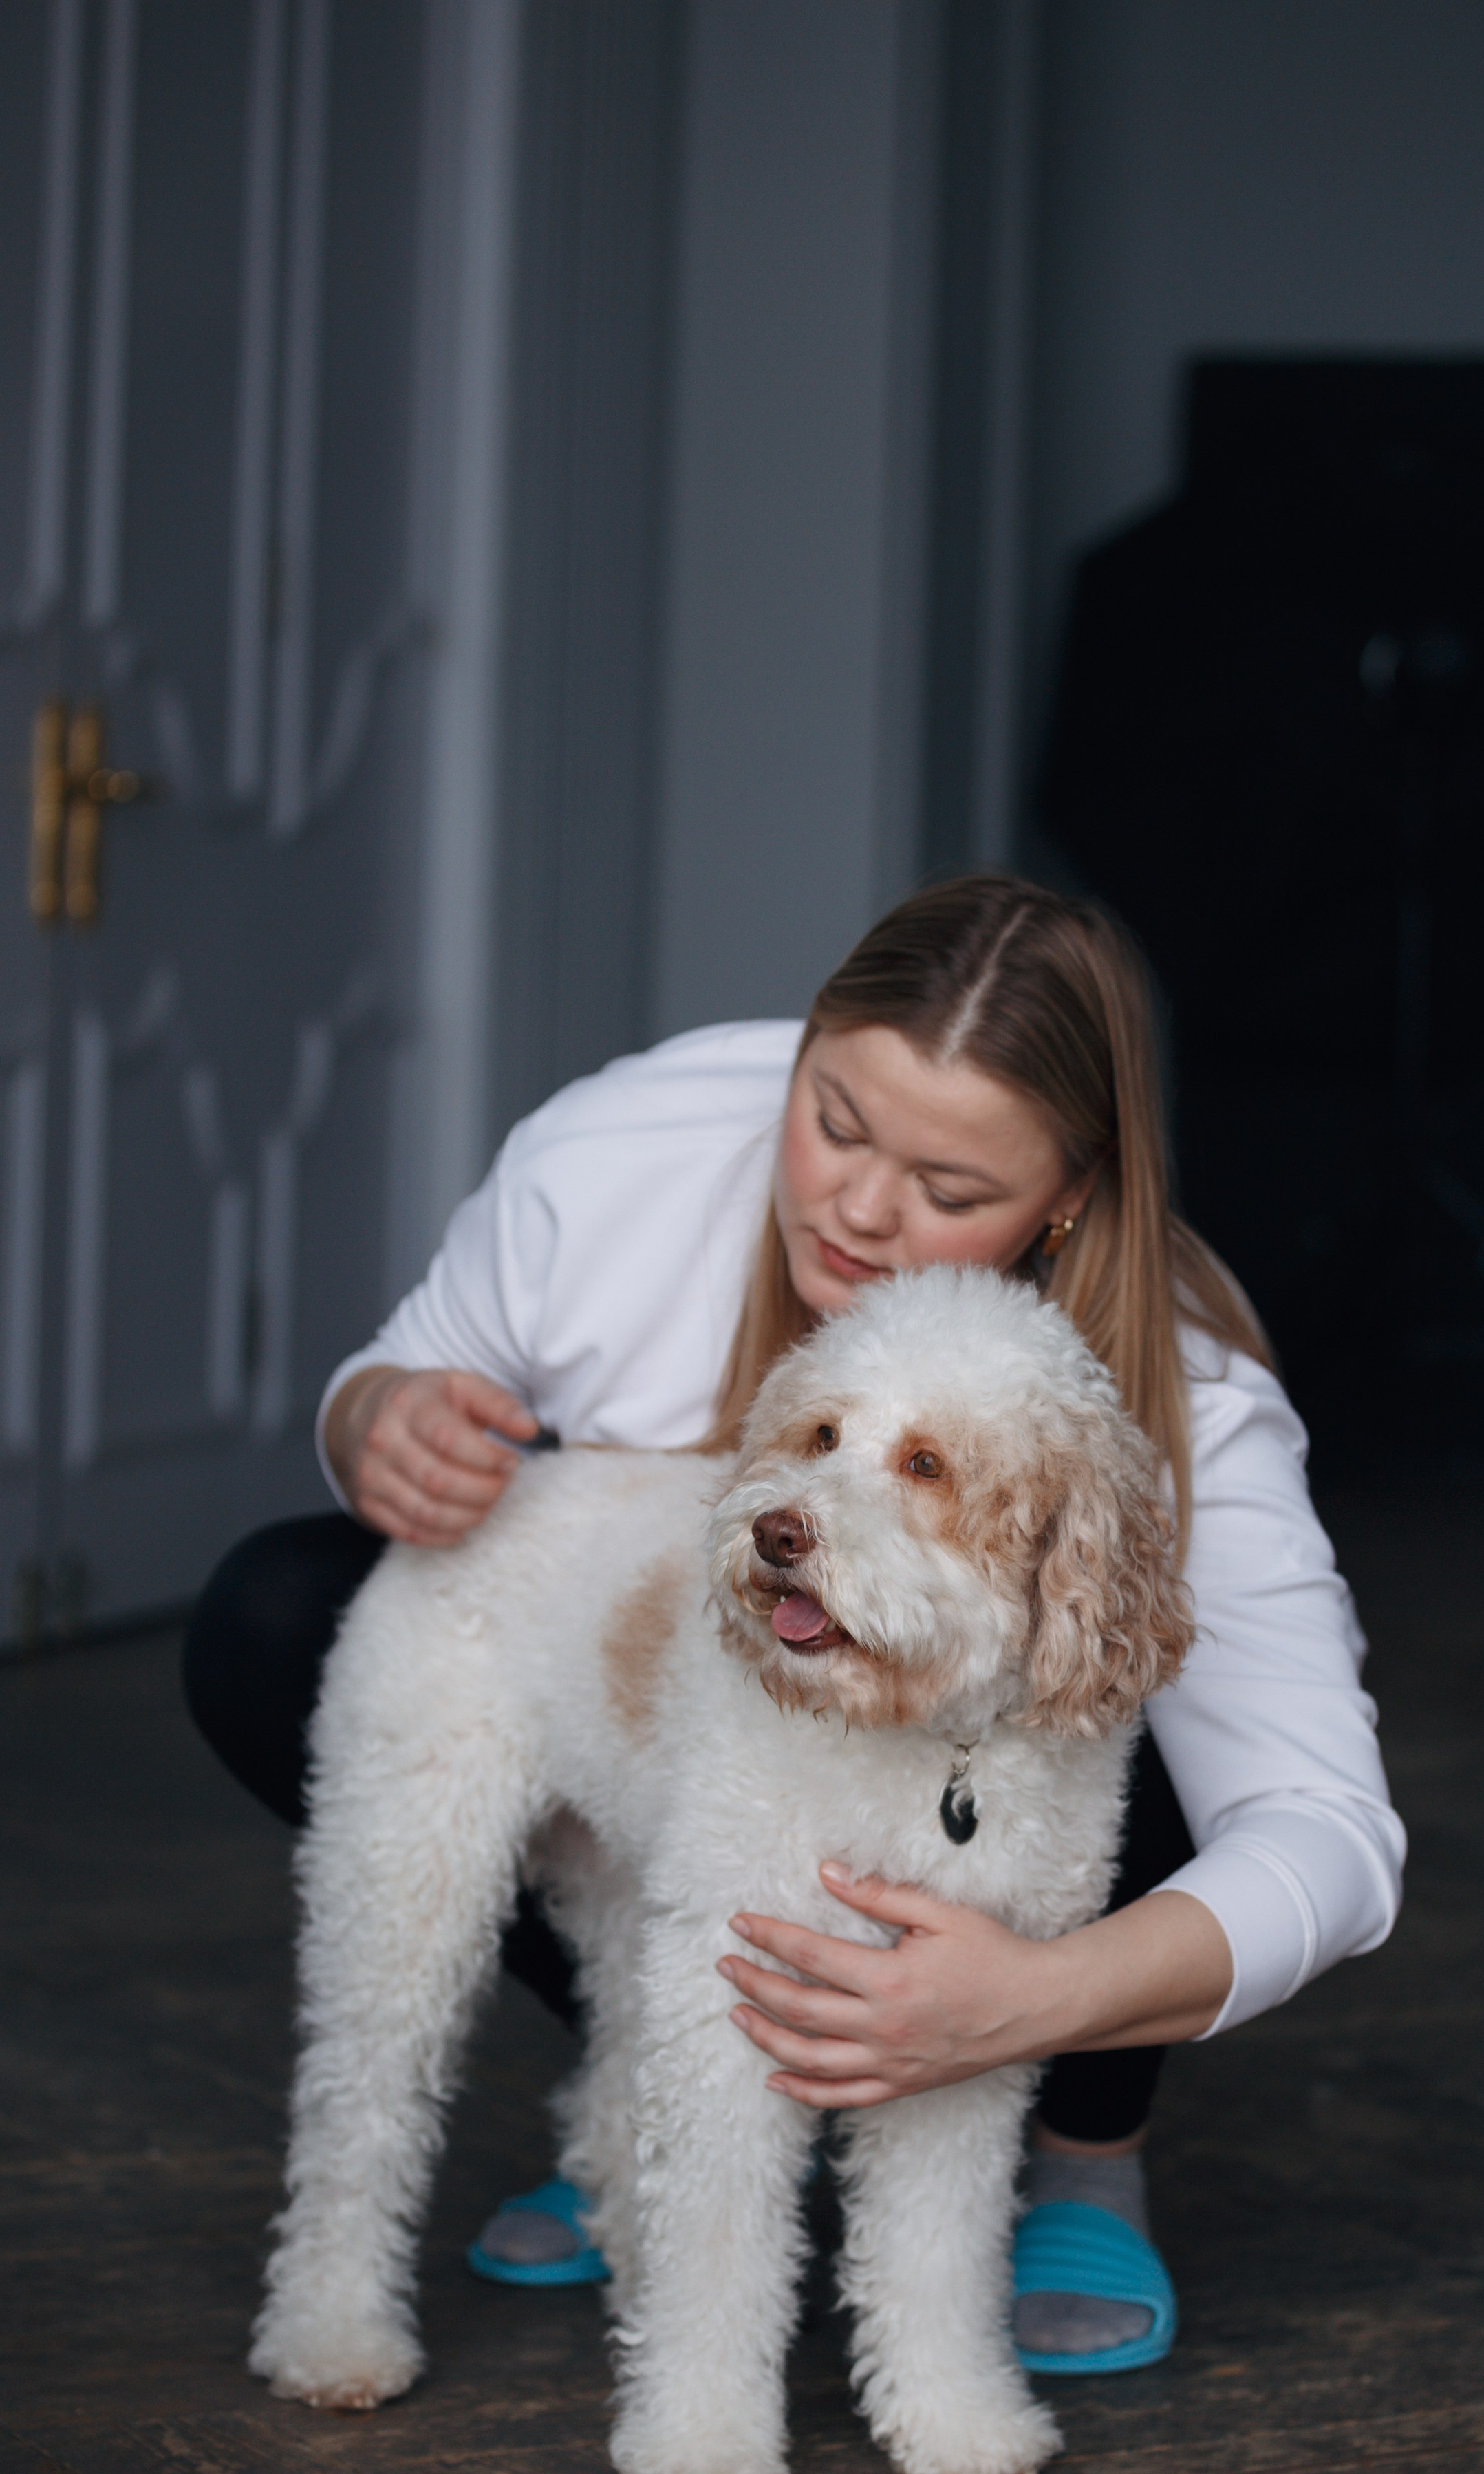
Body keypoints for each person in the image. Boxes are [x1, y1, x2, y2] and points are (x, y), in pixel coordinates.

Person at [184, 874, 1404, 2374]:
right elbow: (412, 1362)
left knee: (1089, 1688)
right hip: (665, 1715)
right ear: (806, 1050)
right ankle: (688, 2101)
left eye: (952, 1192)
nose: (859, 1207)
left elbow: (1329, 1839)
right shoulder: (619, 1145)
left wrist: (1031, 2001)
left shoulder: (1190, 1395)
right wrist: (377, 1419)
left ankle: (1086, 2159)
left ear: (1069, 1194)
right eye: (833, 1120)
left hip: (994, 1816)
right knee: (278, 1609)